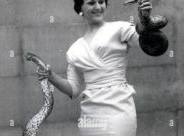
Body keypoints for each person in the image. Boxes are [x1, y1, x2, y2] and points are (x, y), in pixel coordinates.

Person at [36, 0, 168, 135]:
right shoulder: (74, 49)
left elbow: (155, 46)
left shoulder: (120, 28)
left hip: (118, 109)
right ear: (80, 8)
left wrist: (146, 22)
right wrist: (51, 76)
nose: (98, 7)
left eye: (101, 2)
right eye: (92, 3)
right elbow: (74, 90)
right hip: (90, 115)